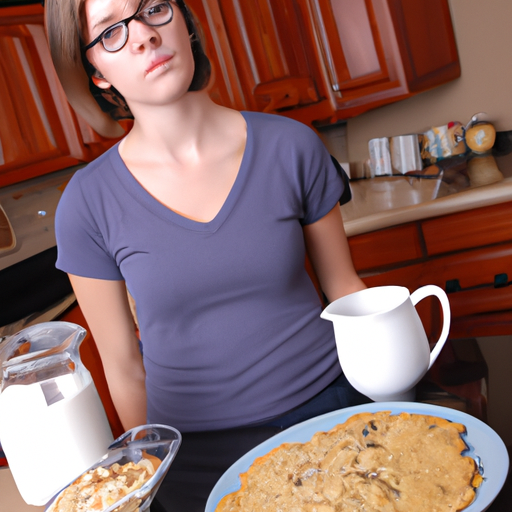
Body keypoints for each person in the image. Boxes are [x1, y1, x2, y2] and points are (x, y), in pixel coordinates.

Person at [44, 0, 370, 510]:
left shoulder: (292, 146)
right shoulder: (86, 203)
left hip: (331, 415)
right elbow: (124, 367)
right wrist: (153, 477)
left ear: (184, 22)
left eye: (153, 8)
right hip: (194, 458)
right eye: (110, 31)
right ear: (96, 74)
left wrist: (394, 371)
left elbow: (345, 287)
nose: (142, 36)